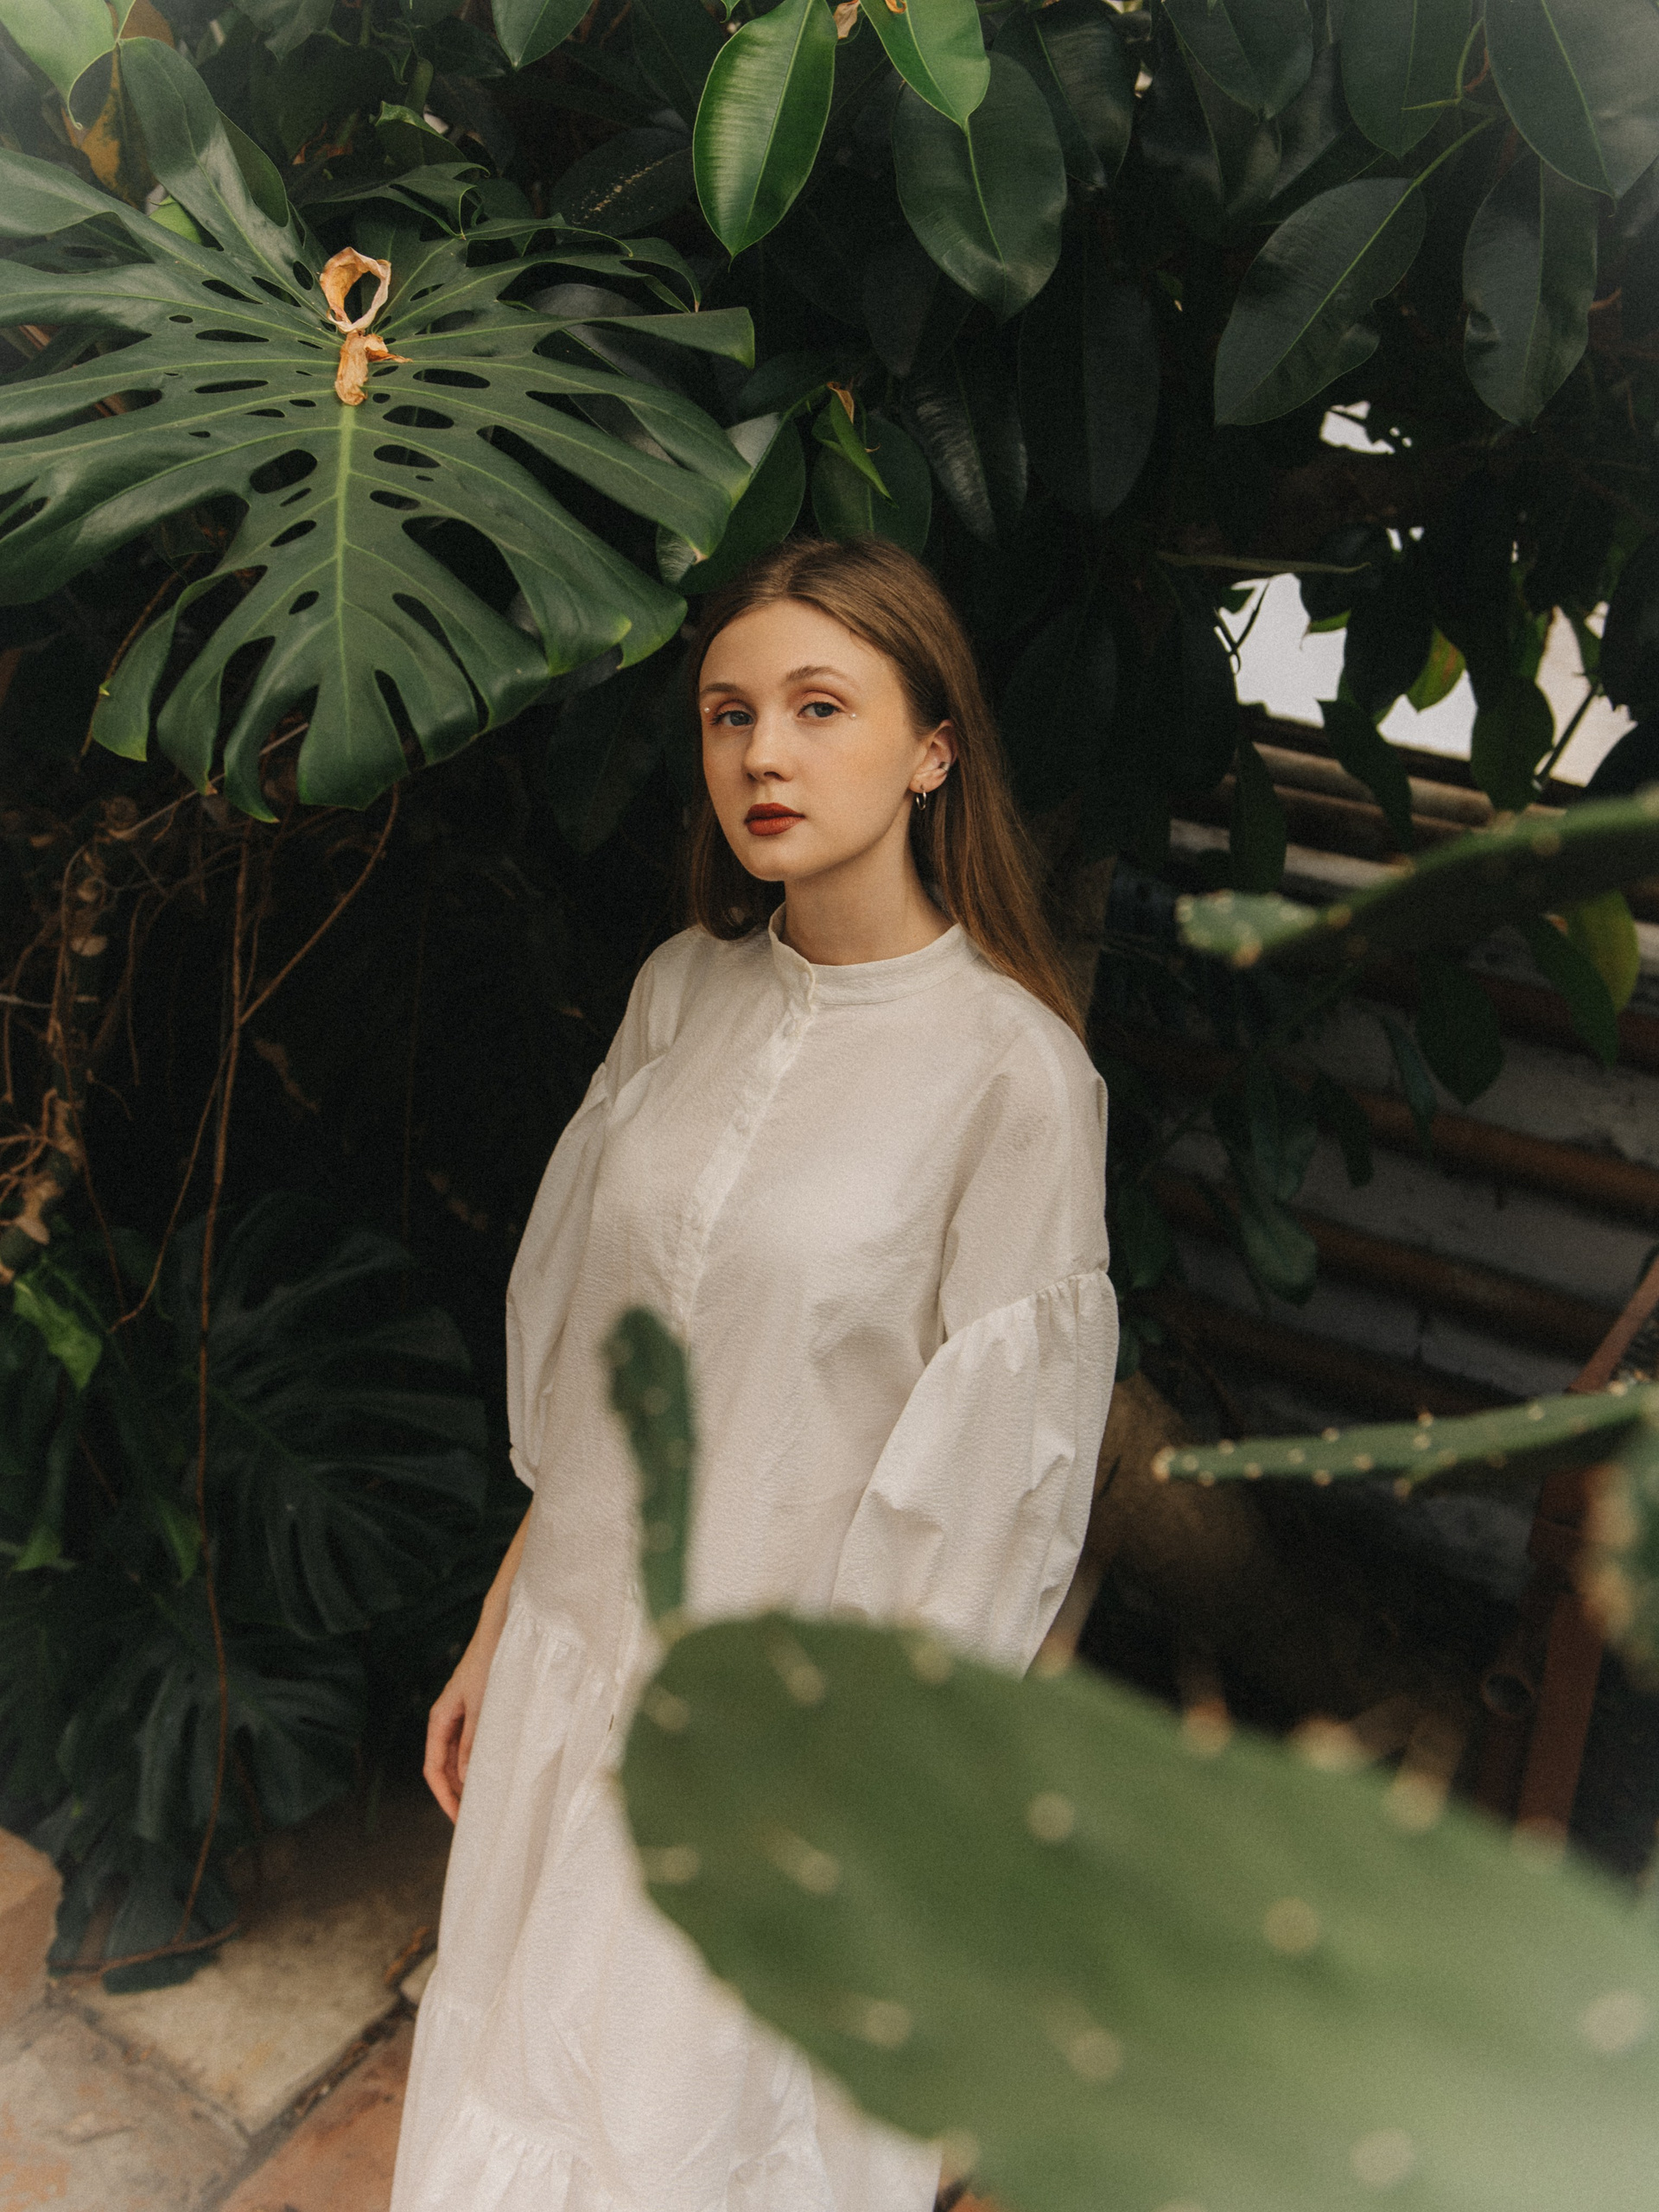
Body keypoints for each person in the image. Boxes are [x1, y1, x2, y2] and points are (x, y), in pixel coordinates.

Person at [391, 536, 1117, 2212]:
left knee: (688, 2148)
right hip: (571, 1672)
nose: (762, 755)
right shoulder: (680, 990)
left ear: (933, 747)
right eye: (729, 715)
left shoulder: (1015, 1079)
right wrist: (501, 1627)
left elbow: (992, 1504)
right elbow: (604, 1374)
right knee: (515, 2095)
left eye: (817, 707)